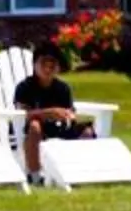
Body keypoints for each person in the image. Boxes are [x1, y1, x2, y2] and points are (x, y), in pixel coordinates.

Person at [10, 43, 90, 180]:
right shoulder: (24, 87)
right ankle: (35, 176)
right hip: (27, 131)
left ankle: (81, 171)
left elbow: (70, 112)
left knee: (87, 131)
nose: (47, 69)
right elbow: (23, 114)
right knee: (35, 126)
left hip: (56, 127)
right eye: (43, 64)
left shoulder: (63, 88)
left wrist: (68, 115)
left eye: (52, 65)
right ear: (34, 65)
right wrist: (48, 112)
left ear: (58, 67)